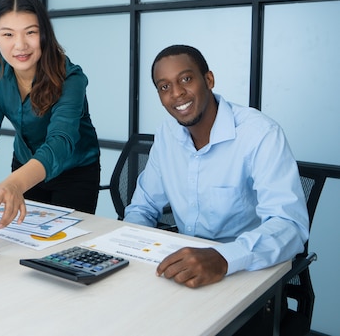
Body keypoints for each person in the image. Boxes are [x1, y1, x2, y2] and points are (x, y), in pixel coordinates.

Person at [124, 44, 309, 289]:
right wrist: (130, 245)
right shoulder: (167, 134)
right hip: (183, 270)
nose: (177, 93)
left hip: (243, 272)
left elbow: (289, 225)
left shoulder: (260, 134)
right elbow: (143, 207)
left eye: (186, 79)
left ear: (209, 79)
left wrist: (225, 257)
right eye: (164, 86)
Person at [0, 0, 100, 228]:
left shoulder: (70, 77)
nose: (20, 45)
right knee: (19, 240)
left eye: (30, 32)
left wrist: (14, 183)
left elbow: (61, 140)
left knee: (63, 248)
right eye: (8, 34)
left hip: (74, 171)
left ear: (44, 33)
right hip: (24, 164)